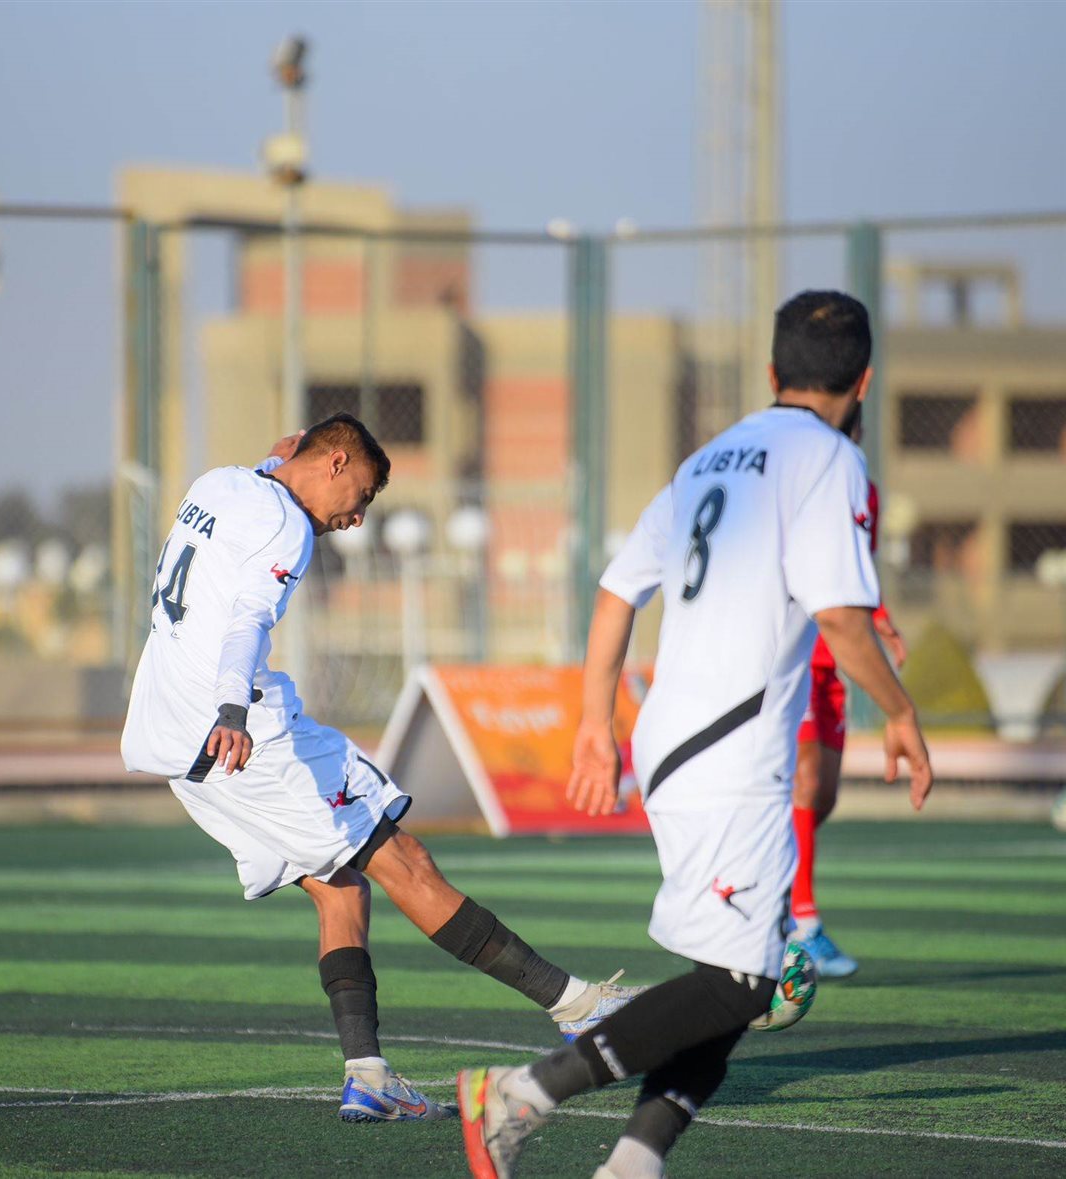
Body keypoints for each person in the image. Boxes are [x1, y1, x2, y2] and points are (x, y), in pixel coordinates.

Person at [457, 291, 933, 1179]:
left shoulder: (710, 457)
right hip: (731, 746)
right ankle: (521, 1093)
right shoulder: (828, 458)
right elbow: (839, 614)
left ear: (772, 372)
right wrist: (901, 713)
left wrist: (595, 724)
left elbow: (616, 591)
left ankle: (634, 1163)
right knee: (742, 984)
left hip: (676, 734)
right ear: (865, 382)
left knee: (736, 979)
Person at [120, 412, 641, 1125]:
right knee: (407, 862)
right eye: (361, 494)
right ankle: (576, 1004)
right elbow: (247, 622)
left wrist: (291, 454)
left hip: (171, 738)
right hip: (243, 733)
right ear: (334, 461)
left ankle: (367, 1075)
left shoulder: (220, 484)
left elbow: (280, 461)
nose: (358, 517)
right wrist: (234, 710)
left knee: (341, 887)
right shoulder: (288, 527)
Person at [791, 402, 907, 978]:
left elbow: (858, 568)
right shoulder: (791, 480)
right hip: (790, 656)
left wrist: (879, 617)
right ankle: (801, 922)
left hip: (834, 657)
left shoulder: (864, 489)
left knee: (824, 796)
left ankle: (765, 883)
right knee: (806, 781)